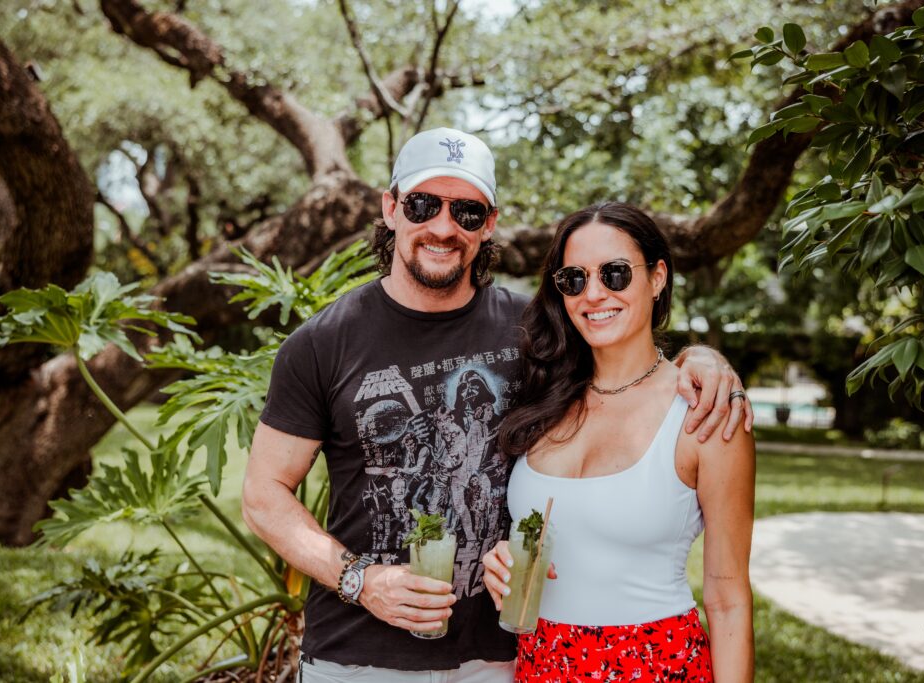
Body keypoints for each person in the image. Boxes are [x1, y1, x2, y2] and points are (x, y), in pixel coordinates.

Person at [241, 128, 753, 682]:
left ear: (488, 224)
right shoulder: (321, 344)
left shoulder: (536, 333)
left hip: (497, 659)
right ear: (391, 209)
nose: (443, 227)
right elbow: (264, 496)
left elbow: (621, 349)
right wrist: (361, 580)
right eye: (422, 204)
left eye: (466, 211)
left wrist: (703, 360)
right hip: (356, 659)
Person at [483, 202, 755, 682]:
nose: (593, 294)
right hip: (542, 664)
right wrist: (500, 560)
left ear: (657, 277)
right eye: (574, 279)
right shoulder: (541, 395)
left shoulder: (704, 412)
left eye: (615, 273)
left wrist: (705, 357)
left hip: (655, 665)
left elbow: (728, 599)